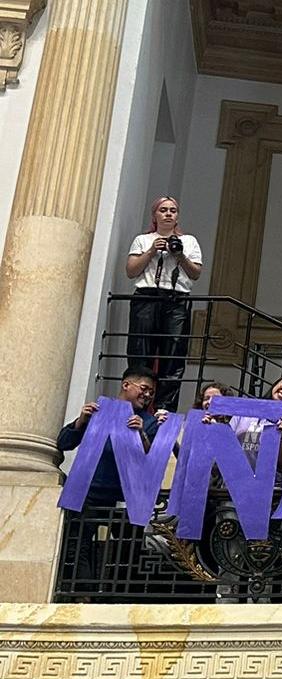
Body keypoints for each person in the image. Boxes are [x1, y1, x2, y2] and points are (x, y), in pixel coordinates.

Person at [125, 197, 203, 411]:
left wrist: (179, 255)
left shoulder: (189, 241)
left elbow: (195, 273)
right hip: (146, 298)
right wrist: (151, 251)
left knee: (173, 356)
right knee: (140, 353)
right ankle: (134, 406)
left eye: (173, 210)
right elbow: (131, 271)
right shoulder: (143, 239)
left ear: (177, 216)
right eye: (163, 210)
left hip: (177, 300)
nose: (168, 214)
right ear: (155, 215)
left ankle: (164, 410)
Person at [56, 366, 161, 509]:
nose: (148, 395)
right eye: (144, 388)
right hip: (87, 493)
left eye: (151, 392)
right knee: (77, 531)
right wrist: (80, 422)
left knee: (128, 532)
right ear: (126, 385)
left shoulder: (149, 423)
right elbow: (63, 443)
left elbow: (152, 461)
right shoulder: (99, 412)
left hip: (126, 497)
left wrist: (141, 434)